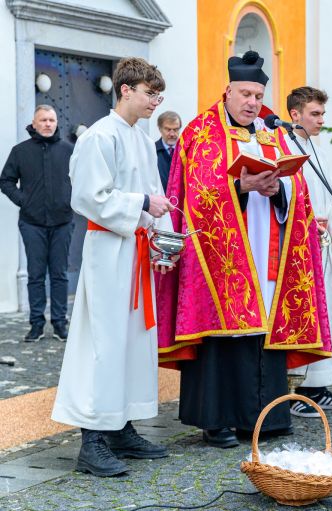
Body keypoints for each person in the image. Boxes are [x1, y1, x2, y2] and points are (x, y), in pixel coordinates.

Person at [156, 51, 332, 449]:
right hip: (220, 257)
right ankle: (215, 420)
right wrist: (241, 187)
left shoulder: (273, 133)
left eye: (258, 94)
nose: (253, 102)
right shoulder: (201, 132)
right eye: (246, 93)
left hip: (267, 250)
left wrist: (278, 189)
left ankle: (264, 417)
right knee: (222, 339)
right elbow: (193, 196)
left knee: (263, 334)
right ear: (228, 90)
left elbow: (298, 189)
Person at [51, 57, 175, 477]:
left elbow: (156, 194)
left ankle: (122, 427)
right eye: (150, 93)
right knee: (103, 343)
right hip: (109, 251)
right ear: (125, 89)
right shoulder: (99, 137)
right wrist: (139, 205)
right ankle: (92, 440)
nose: (156, 101)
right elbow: (87, 196)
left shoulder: (139, 137)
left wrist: (164, 242)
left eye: (159, 94)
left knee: (133, 342)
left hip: (137, 251)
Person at [284, 86, 332, 417]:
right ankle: (298, 390)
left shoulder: (318, 152)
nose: (322, 120)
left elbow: (330, 202)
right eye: (315, 114)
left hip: (320, 248)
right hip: (296, 252)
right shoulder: (284, 148)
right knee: (303, 317)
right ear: (295, 114)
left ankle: (318, 385)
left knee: (327, 318)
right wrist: (306, 222)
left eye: (322, 114)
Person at [0, 105, 74, 342]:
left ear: (56, 123)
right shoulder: (20, 151)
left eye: (51, 119)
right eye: (43, 120)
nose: (48, 124)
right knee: (35, 274)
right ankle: (36, 324)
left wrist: (71, 202)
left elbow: (83, 180)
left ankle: (60, 323)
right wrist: (24, 201)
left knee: (60, 274)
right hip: (32, 223)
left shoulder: (69, 150)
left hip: (63, 221)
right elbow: (6, 181)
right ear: (34, 123)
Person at [155, 111, 181, 192]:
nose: (172, 134)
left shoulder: (186, 152)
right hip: (158, 202)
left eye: (176, 129)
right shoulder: (151, 150)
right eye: (168, 129)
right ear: (160, 129)